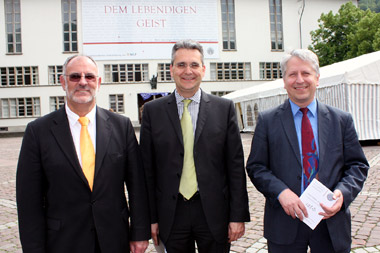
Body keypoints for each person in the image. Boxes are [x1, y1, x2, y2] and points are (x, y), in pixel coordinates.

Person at [16, 55, 150, 253]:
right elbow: (28, 200)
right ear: (63, 82)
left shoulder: (121, 126)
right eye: (75, 77)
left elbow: (137, 186)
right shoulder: (38, 131)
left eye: (89, 76)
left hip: (114, 238)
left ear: (98, 82)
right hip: (63, 241)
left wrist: (139, 233)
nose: (82, 82)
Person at [246, 49, 369, 253]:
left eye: (306, 73)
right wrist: (281, 193)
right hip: (284, 224)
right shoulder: (268, 121)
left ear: (317, 79)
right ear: (284, 80)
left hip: (330, 222)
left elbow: (357, 165)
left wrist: (342, 193)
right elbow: (256, 167)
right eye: (292, 74)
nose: (299, 80)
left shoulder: (341, 120)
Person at [139, 39, 250, 253]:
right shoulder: (153, 111)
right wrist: (149, 219)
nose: (187, 71)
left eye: (194, 65)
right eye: (181, 65)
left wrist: (237, 215)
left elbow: (235, 166)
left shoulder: (224, 109)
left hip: (215, 212)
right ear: (171, 69)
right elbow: (147, 171)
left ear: (203, 69)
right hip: (171, 214)